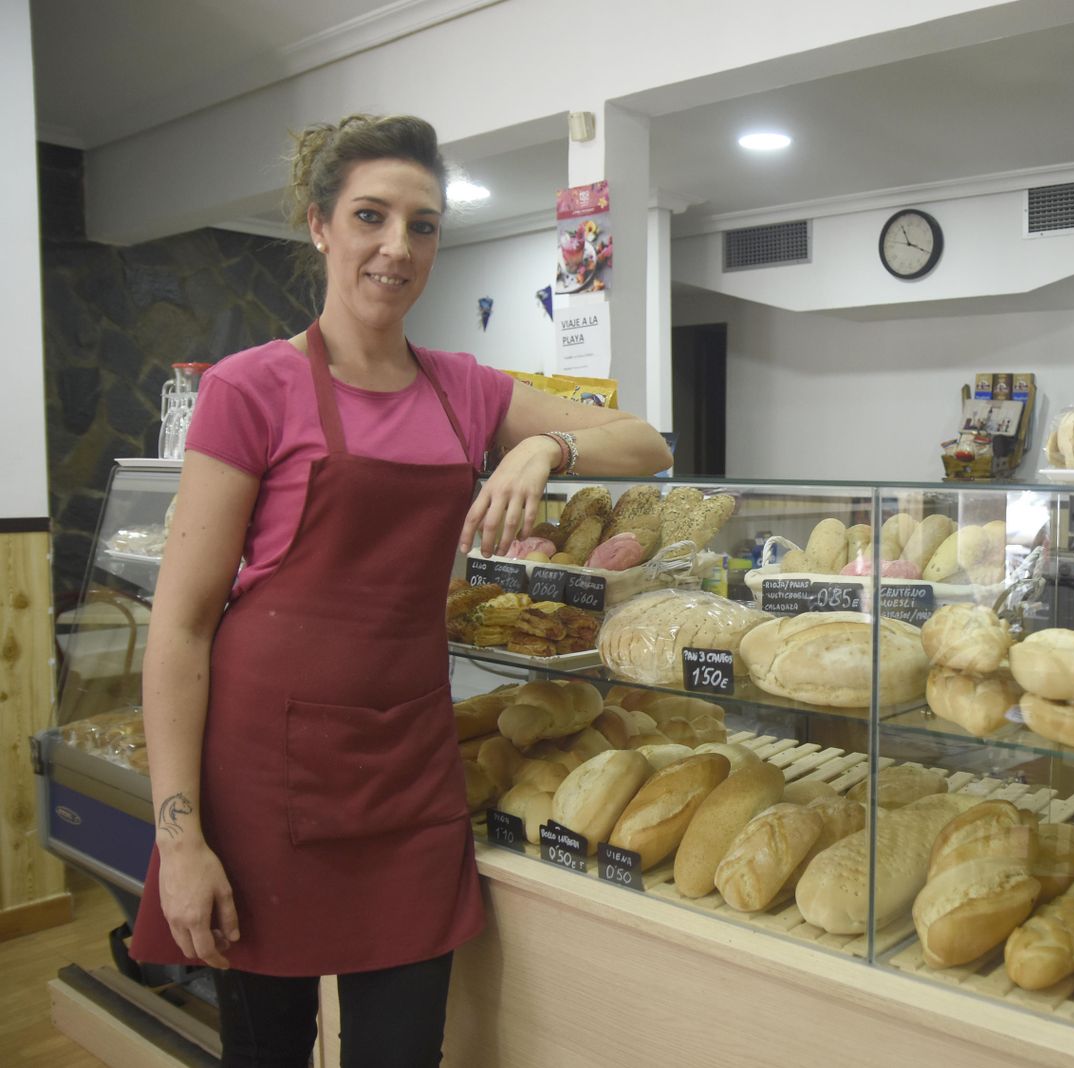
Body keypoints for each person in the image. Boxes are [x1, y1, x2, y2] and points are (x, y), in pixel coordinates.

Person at [128, 114, 672, 1066]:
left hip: (410, 766)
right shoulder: (250, 389)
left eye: (422, 225)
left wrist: (548, 442)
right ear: (320, 227)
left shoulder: (465, 388)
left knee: (402, 1050)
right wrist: (181, 841)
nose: (398, 246)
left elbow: (649, 445)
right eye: (371, 216)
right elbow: (177, 629)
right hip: (262, 775)